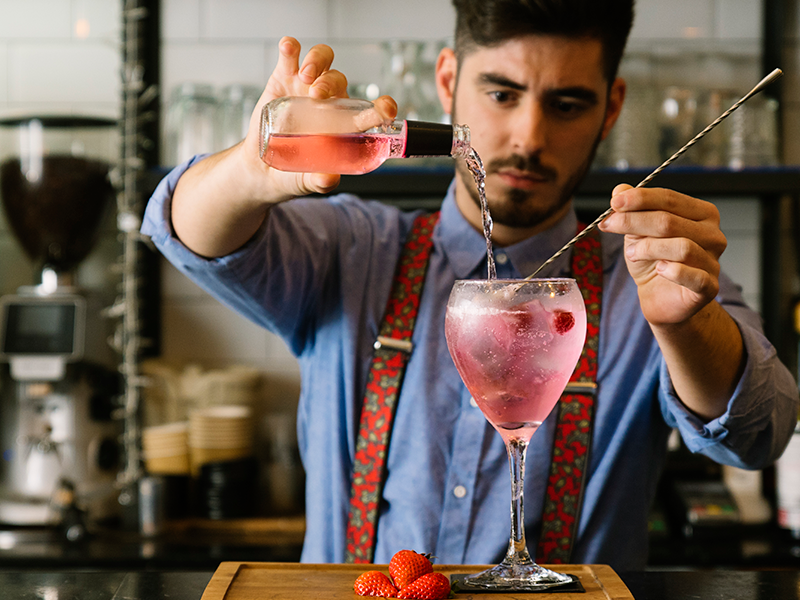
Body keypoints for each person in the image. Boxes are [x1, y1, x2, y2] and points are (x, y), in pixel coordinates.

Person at [141, 0, 799, 570]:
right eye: (502, 93)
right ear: (449, 81)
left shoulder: (650, 284)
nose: (528, 137)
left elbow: (759, 434)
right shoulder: (354, 251)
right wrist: (252, 169)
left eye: (567, 104)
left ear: (611, 108)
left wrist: (687, 328)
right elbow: (185, 232)